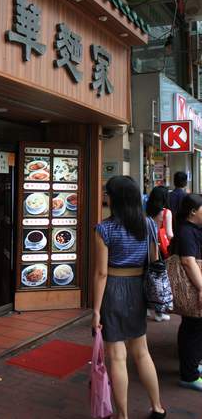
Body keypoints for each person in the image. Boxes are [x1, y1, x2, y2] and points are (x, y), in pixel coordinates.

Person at [93, 176, 166, 419]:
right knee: (142, 351)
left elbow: (102, 273)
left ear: (116, 199)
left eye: (108, 193)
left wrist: (95, 310)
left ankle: (122, 416)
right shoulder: (149, 225)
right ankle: (157, 407)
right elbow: (154, 261)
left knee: (117, 355)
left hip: (113, 289)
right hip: (138, 289)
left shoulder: (104, 229)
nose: (106, 197)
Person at [173, 193, 202, 391]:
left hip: (197, 282)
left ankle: (193, 365)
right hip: (193, 285)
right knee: (193, 327)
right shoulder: (185, 230)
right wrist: (201, 288)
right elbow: (188, 261)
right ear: (193, 211)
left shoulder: (193, 228)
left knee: (195, 327)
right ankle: (189, 375)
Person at [146, 186, 173, 321]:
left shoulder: (147, 211)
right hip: (160, 249)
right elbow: (169, 233)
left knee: (148, 278)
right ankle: (159, 312)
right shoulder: (166, 212)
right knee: (160, 280)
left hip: (147, 246)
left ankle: (147, 309)